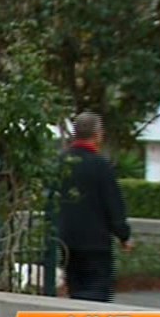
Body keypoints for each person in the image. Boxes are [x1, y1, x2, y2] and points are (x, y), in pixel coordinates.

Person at [58, 112, 132, 302]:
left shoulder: (61, 163)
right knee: (97, 292)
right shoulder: (101, 165)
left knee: (76, 291)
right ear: (98, 134)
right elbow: (113, 203)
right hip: (95, 242)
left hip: (67, 239)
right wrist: (123, 235)